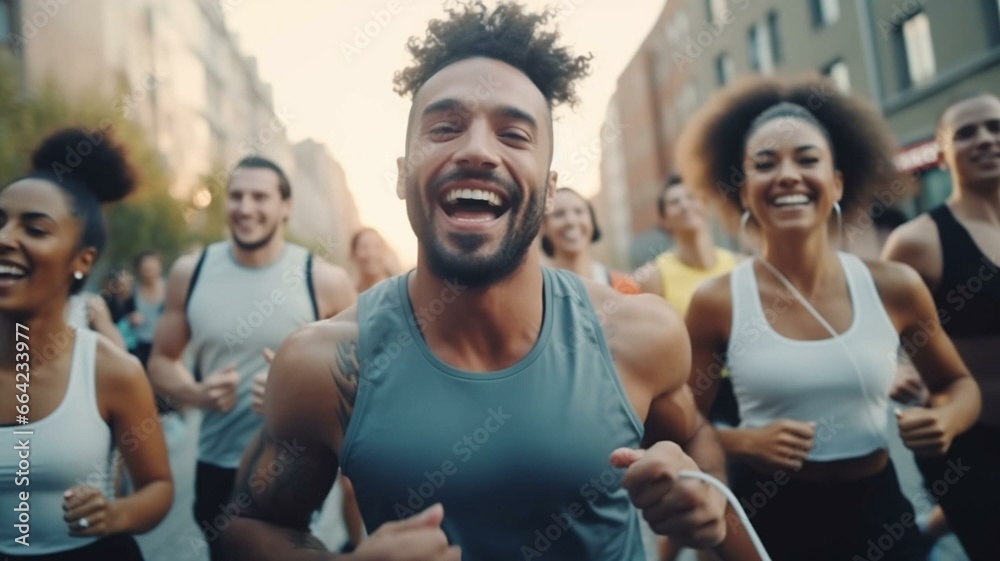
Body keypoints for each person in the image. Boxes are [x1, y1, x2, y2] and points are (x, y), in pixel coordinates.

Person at [220, 3, 763, 560]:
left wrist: (700, 490)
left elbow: (695, 438)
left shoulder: (638, 332)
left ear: (550, 190)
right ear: (405, 174)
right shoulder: (324, 363)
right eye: (446, 127)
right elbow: (245, 526)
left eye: (513, 134)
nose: (477, 150)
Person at [676, 78, 982, 560]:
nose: (788, 175)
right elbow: (680, 424)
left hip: (881, 513)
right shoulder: (717, 300)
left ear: (837, 181)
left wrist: (945, 417)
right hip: (772, 516)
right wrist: (741, 440)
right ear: (742, 187)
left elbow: (959, 385)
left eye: (807, 159)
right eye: (765, 164)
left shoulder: (895, 285)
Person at [147, 155, 356, 560]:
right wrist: (196, 392)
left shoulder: (325, 280)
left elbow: (360, 378)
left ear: (285, 207)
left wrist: (293, 397)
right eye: (236, 196)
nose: (245, 208)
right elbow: (161, 361)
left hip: (292, 466)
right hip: (214, 463)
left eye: (260, 197)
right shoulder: (191, 272)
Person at [0, 128, 173, 560]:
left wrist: (115, 514)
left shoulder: (112, 371)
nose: (5, 238)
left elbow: (158, 488)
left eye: (35, 229)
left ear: (82, 261)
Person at [882, 92, 1000, 561]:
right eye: (966, 133)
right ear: (942, 151)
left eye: (995, 127)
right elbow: (868, 333)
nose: (986, 140)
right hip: (970, 447)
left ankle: (927, 533)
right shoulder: (917, 242)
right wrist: (890, 368)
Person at [541, 186, 640, 293]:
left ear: (592, 222)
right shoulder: (537, 290)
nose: (571, 221)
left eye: (578, 212)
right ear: (544, 227)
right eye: (559, 214)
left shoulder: (623, 286)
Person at [351, 227, 398, 293]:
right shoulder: (346, 292)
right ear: (353, 254)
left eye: (377, 247)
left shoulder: (397, 291)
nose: (371, 253)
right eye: (364, 247)